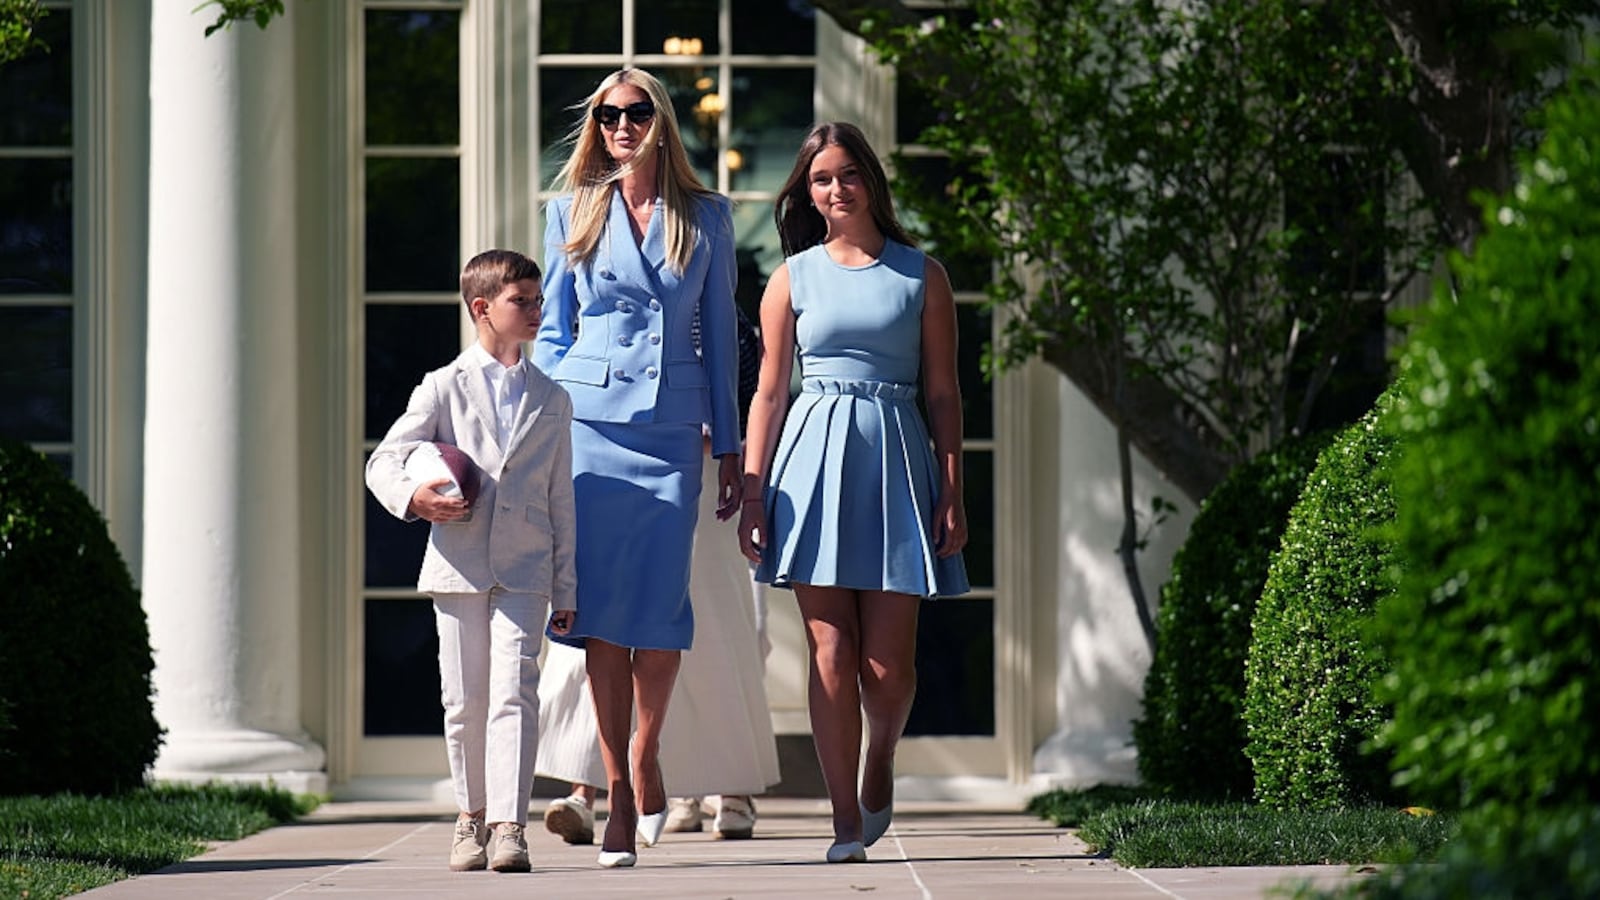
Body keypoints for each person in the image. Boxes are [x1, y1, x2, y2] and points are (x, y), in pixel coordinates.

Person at [737, 122, 970, 864]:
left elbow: (943, 394)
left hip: (897, 460)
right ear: (807, 191)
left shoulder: (921, 275)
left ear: (870, 178)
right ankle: (844, 822)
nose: (834, 190)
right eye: (819, 180)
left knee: (887, 669)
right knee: (830, 652)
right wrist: (751, 490)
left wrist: (954, 489)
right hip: (811, 463)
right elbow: (770, 393)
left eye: (846, 175)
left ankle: (879, 761)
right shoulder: (792, 277)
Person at [533, 67, 742, 869]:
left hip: (670, 437)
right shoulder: (570, 211)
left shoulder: (709, 217)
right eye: (609, 113)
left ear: (661, 120)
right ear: (599, 126)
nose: (622, 124)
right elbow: (553, 333)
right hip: (588, 431)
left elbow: (720, 340)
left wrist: (728, 446)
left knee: (658, 612)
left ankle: (649, 757)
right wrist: (546, 426)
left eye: (636, 110)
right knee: (597, 620)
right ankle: (618, 788)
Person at [365, 249, 577, 874]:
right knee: (464, 701)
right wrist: (416, 497)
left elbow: (561, 495)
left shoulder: (552, 397)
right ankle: (471, 817)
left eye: (540, 300)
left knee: (516, 691)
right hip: (458, 564)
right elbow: (384, 461)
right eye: (524, 302)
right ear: (482, 308)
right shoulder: (442, 385)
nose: (537, 311)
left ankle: (512, 826)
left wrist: (567, 585)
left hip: (529, 567)